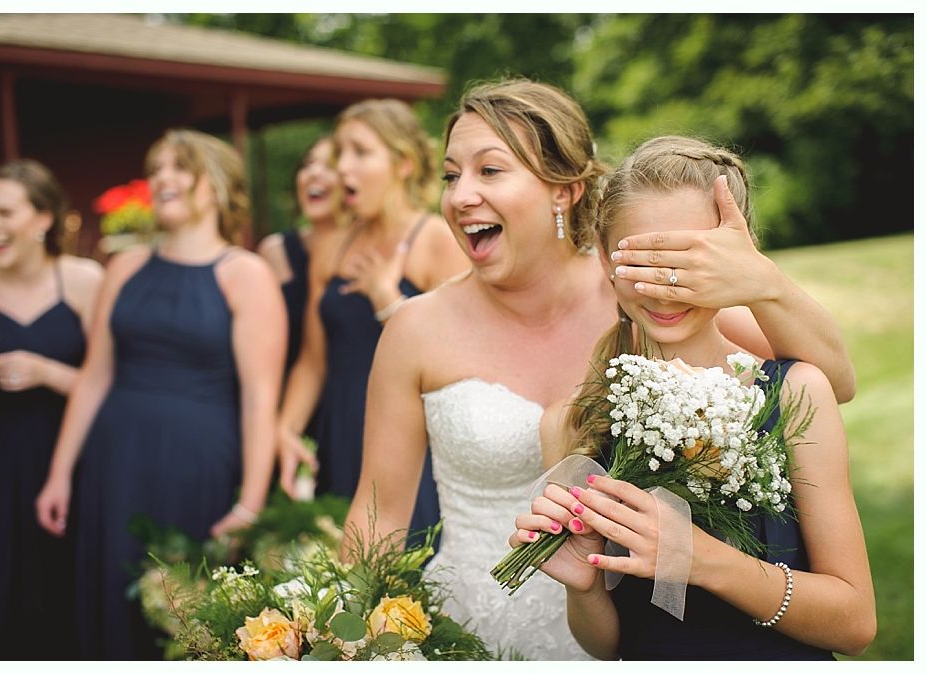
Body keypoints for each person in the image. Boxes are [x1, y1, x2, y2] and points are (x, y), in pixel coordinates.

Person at [340, 79, 857, 660]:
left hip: (645, 624)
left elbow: (824, 384)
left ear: (564, 192)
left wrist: (762, 280)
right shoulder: (416, 329)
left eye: (490, 171)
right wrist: (342, 631)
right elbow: (377, 512)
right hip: (490, 618)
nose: (461, 195)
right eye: (450, 174)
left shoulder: (649, 284)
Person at [511, 135, 876, 660]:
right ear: (606, 262)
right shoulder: (573, 422)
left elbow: (855, 623)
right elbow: (609, 644)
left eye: (687, 260)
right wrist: (583, 587)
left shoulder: (793, 393)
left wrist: (701, 559)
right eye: (642, 261)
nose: (663, 288)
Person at [35, 129, 287, 659]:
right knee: (110, 597)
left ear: (214, 187)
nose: (162, 178)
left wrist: (251, 502)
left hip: (198, 469)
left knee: (182, 614)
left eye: (180, 167)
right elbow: (95, 376)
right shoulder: (124, 267)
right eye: (157, 168)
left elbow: (260, 398)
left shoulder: (244, 274)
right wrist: (60, 474)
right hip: (113, 465)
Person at [275, 99, 468, 545]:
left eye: (360, 153)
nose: (343, 168)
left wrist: (387, 299)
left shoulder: (437, 242)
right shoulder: (332, 247)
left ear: (402, 163)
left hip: (411, 445)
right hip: (340, 432)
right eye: (340, 153)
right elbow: (312, 359)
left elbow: (462, 364)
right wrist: (285, 429)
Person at [0, 159, 103, 659]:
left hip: (66, 463)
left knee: (60, 603)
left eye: (5, 213)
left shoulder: (85, 282)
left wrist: (48, 372)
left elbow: (109, 384)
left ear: (44, 218)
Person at [256, 135, 344, 382]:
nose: (313, 173)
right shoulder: (275, 251)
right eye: (308, 164)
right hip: (291, 394)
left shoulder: (371, 251)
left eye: (329, 166)